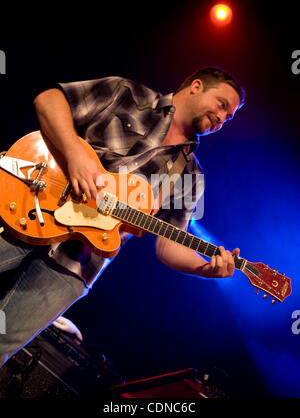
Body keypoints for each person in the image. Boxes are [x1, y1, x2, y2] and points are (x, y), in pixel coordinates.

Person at [0, 67, 245, 367]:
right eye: (222, 105)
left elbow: (168, 246)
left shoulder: (191, 176)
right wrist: (75, 154)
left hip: (75, 265)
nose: (223, 118)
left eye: (229, 117)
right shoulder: (127, 93)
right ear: (196, 86)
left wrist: (206, 269)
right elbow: (48, 100)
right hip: (32, 203)